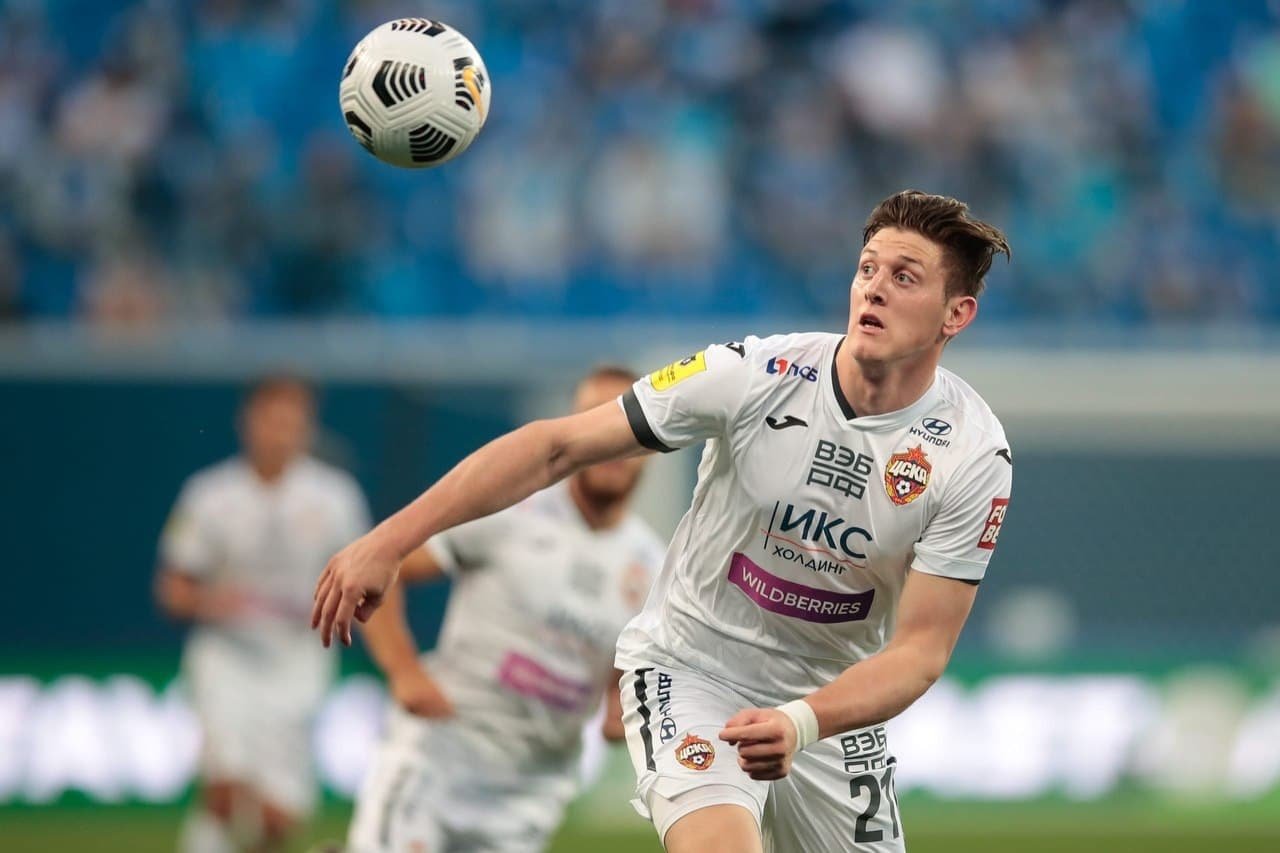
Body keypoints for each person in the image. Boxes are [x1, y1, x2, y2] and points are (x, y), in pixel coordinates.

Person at [313, 190, 1015, 852]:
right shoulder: (756, 372)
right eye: (867, 269)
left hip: (831, 703)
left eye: (904, 276)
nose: (874, 289)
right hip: (694, 669)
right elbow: (557, 446)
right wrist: (389, 540)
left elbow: (919, 652)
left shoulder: (972, 455)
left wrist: (801, 721)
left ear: (956, 315)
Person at [345, 366, 665, 853]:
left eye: (625, 426)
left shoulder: (654, 566)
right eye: (595, 420)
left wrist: (620, 712)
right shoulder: (509, 508)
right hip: (439, 759)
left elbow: (623, 680)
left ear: (652, 442)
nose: (611, 445)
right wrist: (404, 671)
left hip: (531, 794)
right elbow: (384, 572)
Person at [157, 376, 371, 853]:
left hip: (299, 661)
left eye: (292, 422)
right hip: (227, 657)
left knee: (276, 819)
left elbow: (366, 584)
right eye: (271, 420)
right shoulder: (210, 495)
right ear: (248, 422)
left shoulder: (335, 497)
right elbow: (173, 589)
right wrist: (213, 603)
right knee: (225, 791)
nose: (280, 433)